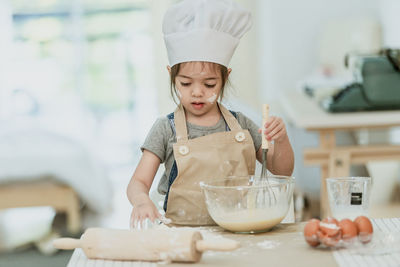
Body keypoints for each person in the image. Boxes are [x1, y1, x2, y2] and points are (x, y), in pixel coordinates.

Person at [127, 0, 294, 227]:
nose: (197, 92)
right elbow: (138, 181)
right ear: (172, 77)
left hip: (240, 229)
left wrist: (281, 140)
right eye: (186, 83)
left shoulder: (240, 125)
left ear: (225, 77)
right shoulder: (166, 129)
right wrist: (141, 202)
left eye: (209, 83)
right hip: (182, 233)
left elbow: (281, 170)